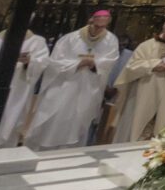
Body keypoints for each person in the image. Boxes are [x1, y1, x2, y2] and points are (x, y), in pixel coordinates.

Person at [24, 10, 120, 149]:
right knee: (55, 117)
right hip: (64, 84)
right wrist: (77, 64)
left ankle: (68, 152)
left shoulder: (111, 40)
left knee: (78, 120)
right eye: (97, 25)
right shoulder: (70, 38)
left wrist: (95, 64)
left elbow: (110, 61)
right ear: (91, 20)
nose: (99, 29)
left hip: (89, 86)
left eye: (103, 26)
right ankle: (43, 149)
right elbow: (55, 62)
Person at [113, 17, 165, 142]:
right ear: (164, 28)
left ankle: (158, 145)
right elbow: (132, 66)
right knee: (140, 117)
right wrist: (154, 64)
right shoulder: (147, 45)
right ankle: (135, 142)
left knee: (164, 118)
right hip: (147, 86)